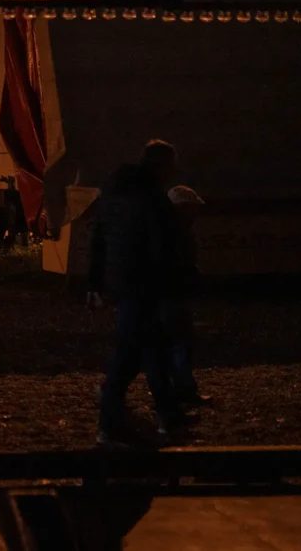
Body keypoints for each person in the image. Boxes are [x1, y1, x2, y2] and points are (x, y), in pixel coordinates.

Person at [88, 139, 184, 446]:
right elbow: (161, 244)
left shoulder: (115, 194)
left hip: (121, 281)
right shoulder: (153, 198)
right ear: (163, 165)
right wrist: (170, 281)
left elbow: (99, 238)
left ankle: (167, 415)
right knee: (133, 353)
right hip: (143, 283)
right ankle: (112, 421)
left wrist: (95, 281)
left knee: (145, 348)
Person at [164, 185, 210, 406]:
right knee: (181, 342)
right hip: (173, 294)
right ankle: (183, 391)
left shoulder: (167, 229)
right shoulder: (177, 233)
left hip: (169, 293)